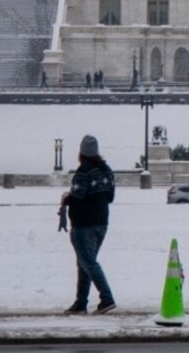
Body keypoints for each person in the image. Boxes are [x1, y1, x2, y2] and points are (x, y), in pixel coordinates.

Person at [58, 135, 117, 315]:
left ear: (81, 152)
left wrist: (65, 198)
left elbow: (77, 196)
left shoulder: (83, 171)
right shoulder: (106, 170)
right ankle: (81, 303)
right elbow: (110, 197)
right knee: (84, 263)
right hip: (102, 223)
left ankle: (106, 298)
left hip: (84, 224)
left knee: (88, 263)